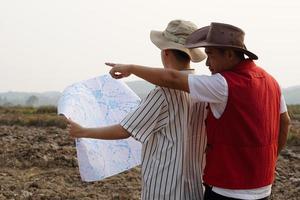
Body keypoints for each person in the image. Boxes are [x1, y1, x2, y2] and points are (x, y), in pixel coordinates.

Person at [106, 22, 291, 200]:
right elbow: (285, 122)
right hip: (263, 186)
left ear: (228, 54)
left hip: (228, 188)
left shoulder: (223, 84)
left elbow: (171, 78)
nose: (208, 62)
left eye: (211, 55)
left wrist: (130, 68)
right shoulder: (271, 81)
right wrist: (269, 160)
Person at [68, 19, 208, 200]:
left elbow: (124, 130)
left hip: (165, 187)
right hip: (195, 186)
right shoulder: (203, 90)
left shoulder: (163, 94)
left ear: (165, 53)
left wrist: (83, 131)